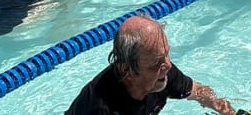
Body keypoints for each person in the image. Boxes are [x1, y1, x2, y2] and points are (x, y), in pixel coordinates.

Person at [64, 14, 235, 115]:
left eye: (166, 54)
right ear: (126, 69)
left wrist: (223, 108)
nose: (167, 65)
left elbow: (197, 91)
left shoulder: (163, 73)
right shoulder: (100, 108)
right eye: (156, 62)